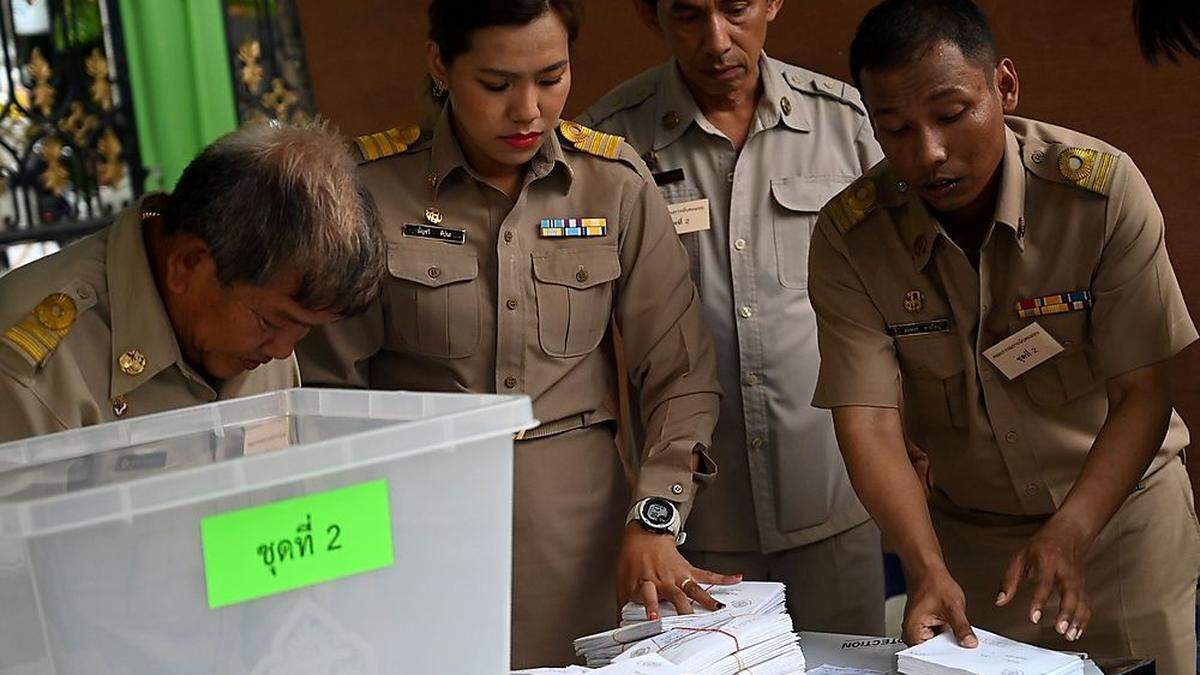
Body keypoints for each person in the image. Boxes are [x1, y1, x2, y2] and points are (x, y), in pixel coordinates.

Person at [295, 0, 736, 667]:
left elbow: (680, 371)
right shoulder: (369, 192)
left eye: (552, 78)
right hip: (414, 536)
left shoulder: (611, 185)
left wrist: (656, 514)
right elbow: (325, 395)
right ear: (441, 64)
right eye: (498, 85)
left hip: (581, 542)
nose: (529, 110)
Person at [808, 0, 1199, 671]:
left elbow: (1143, 393)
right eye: (895, 129)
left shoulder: (1099, 197)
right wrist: (923, 564)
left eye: (951, 115)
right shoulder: (853, 238)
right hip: (971, 546)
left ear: (1005, 87)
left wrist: (1072, 530)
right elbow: (869, 421)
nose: (928, 152)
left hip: (1119, 525)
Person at [580, 0, 885, 634]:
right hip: (691, 515)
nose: (717, 39)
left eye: (737, 9)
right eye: (689, 15)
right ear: (651, 14)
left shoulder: (848, 123)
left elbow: (903, 292)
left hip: (832, 494)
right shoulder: (611, 142)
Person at [0, 121, 387, 443]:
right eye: (271, 322)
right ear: (186, 265)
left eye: (301, 329)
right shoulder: (32, 371)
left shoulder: (255, 322)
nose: (285, 350)